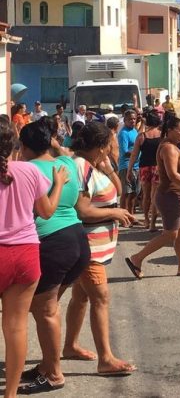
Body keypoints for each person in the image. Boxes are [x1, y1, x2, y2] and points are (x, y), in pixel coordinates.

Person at [19, 120, 90, 394]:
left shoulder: (28, 169)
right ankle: (47, 365)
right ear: (50, 141)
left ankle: (54, 374)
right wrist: (55, 143)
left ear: (24, 147)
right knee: (46, 308)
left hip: (51, 243)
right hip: (76, 239)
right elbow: (65, 152)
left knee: (45, 311)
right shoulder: (69, 164)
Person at [62, 122, 137, 377]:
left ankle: (70, 345)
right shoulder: (81, 168)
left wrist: (107, 168)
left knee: (81, 297)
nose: (114, 148)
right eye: (111, 144)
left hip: (98, 246)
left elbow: (117, 190)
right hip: (88, 246)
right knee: (101, 298)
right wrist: (114, 212)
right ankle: (105, 358)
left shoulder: (93, 166)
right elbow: (82, 210)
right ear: (102, 145)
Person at [1, 121, 68, 398]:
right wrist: (59, 183)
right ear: (14, 144)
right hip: (25, 254)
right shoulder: (29, 171)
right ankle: (11, 394)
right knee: (16, 326)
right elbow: (47, 211)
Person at [125, 117, 180, 279]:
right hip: (169, 196)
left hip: (177, 196)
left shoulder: (175, 145)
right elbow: (172, 174)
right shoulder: (168, 148)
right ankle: (137, 258)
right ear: (170, 130)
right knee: (170, 234)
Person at [127, 111, 163, 230]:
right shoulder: (162, 135)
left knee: (146, 195)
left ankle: (146, 220)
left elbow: (134, 155)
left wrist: (129, 169)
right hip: (158, 167)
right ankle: (153, 223)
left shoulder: (141, 136)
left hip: (144, 167)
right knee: (155, 196)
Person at [117, 110, 139, 214]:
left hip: (137, 165)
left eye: (134, 119)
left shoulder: (135, 131)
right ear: (125, 120)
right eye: (130, 119)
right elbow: (125, 151)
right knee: (126, 193)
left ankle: (131, 215)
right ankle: (123, 217)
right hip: (126, 166)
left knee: (134, 193)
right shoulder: (123, 133)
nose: (132, 121)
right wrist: (137, 151)